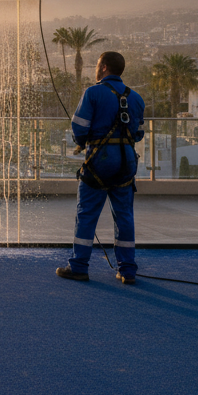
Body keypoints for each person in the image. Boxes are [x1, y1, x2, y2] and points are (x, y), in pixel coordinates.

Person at [57, 50, 145, 285]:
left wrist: (83, 142)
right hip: (126, 163)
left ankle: (79, 267)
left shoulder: (93, 93)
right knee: (124, 216)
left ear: (104, 67)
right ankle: (127, 270)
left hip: (100, 162)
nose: (96, 68)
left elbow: (79, 129)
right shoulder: (136, 98)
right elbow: (138, 133)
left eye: (97, 64)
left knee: (86, 214)